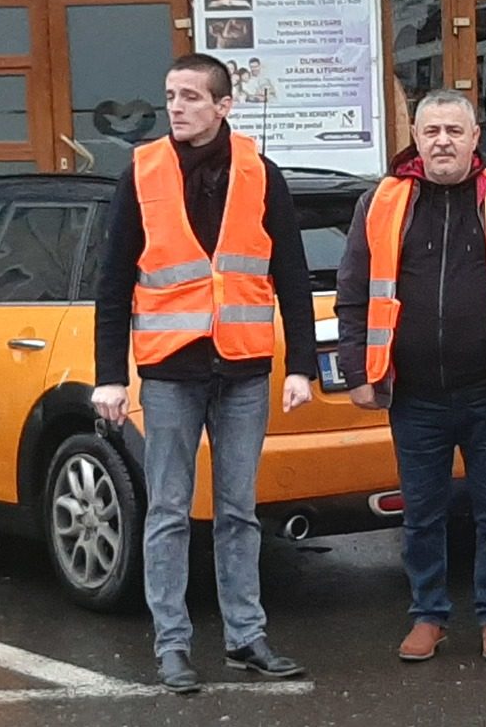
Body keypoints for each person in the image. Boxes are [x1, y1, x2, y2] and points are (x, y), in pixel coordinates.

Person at [91, 53, 318, 694]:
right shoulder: (142, 172)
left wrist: (301, 365)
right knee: (167, 510)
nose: (177, 107)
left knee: (238, 511)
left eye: (191, 96)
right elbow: (113, 282)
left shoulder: (259, 172)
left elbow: (291, 275)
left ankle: (246, 637)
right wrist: (110, 375)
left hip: (243, 368)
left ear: (223, 105)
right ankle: (172, 645)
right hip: (170, 371)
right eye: (171, 96)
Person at [335, 90, 486, 663]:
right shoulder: (382, 202)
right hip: (414, 394)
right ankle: (428, 615)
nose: (442, 142)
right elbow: (353, 293)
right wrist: (358, 370)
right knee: (421, 514)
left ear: (475, 138)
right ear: (415, 136)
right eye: (431, 131)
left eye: (454, 131)